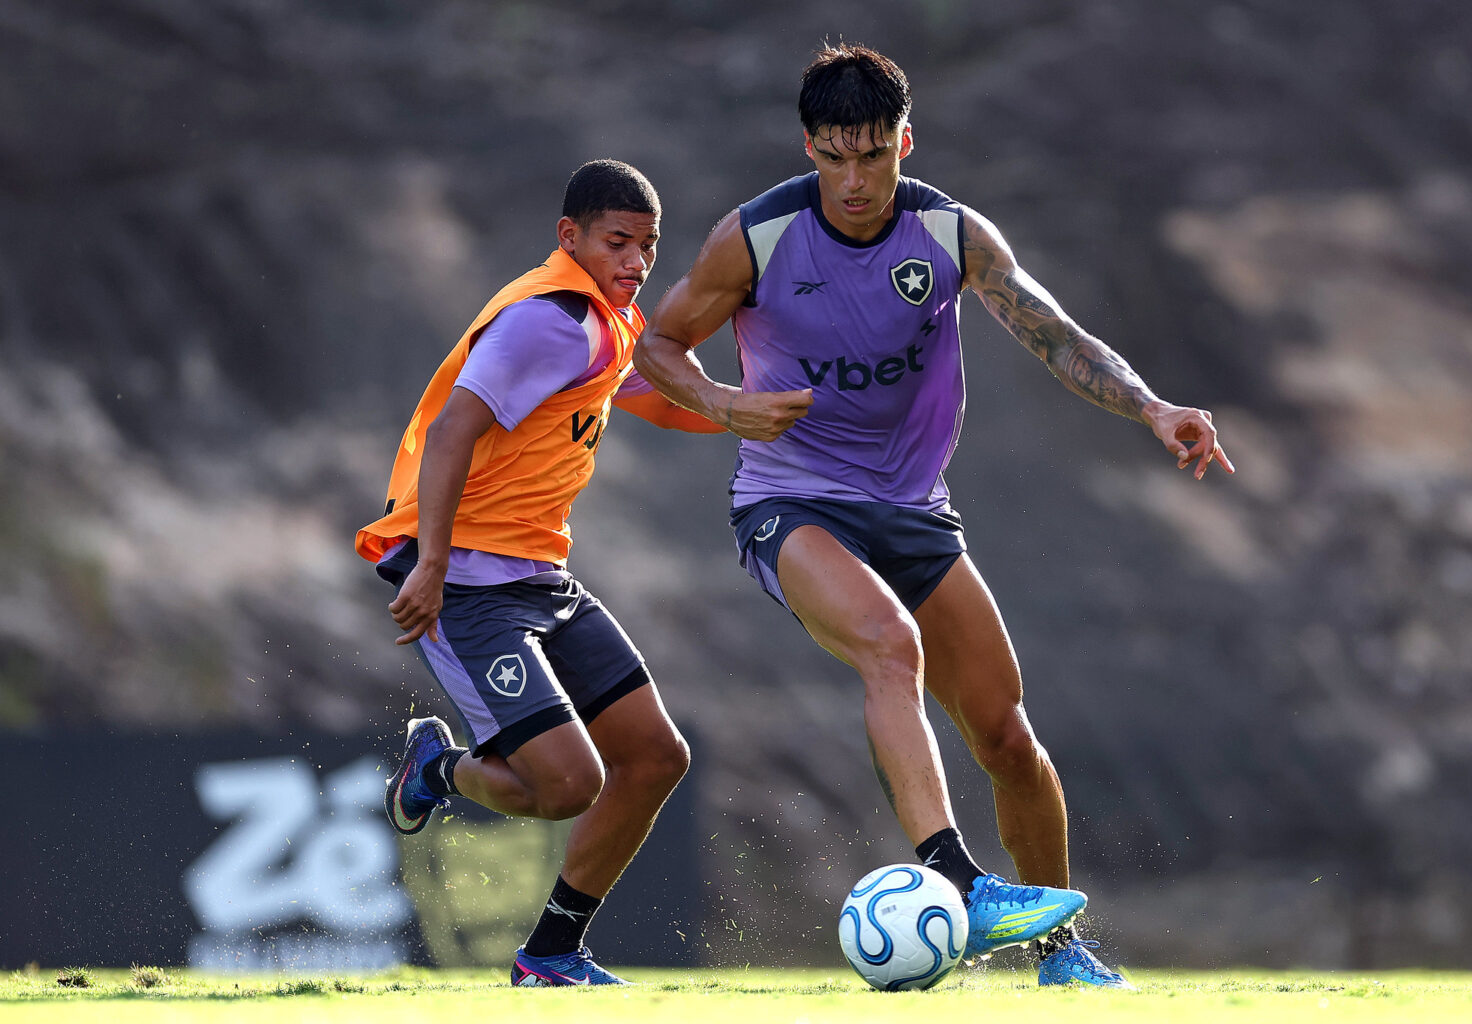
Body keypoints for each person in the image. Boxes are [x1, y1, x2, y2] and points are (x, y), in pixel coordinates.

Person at [634, 44, 1235, 988]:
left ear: (904, 143)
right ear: (809, 148)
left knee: (1007, 738)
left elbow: (1057, 335)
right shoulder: (755, 240)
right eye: (835, 157)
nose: (855, 180)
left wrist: (1153, 406)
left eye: (873, 155)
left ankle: (1060, 954)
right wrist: (724, 405)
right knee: (889, 642)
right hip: (789, 501)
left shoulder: (951, 236)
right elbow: (657, 346)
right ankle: (958, 877)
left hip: (913, 510)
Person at [356, 159, 723, 987]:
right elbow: (453, 433)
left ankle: (551, 954)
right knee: (565, 786)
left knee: (658, 756)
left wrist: (743, 414)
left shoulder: (608, 319)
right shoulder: (547, 318)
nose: (635, 261)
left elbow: (648, 398)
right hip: (471, 587)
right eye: (617, 241)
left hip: (541, 576)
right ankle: (438, 769)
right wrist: (436, 568)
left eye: (648, 247)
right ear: (571, 237)